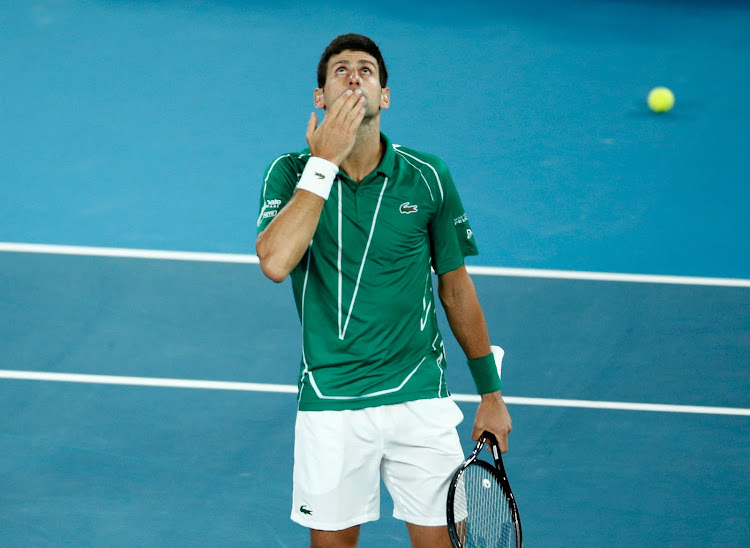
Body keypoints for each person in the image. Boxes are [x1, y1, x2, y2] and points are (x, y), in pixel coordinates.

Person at [255, 33, 512, 548]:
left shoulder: (428, 177)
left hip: (419, 397)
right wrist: (322, 164)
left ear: (385, 96)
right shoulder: (289, 174)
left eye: (366, 70)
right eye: (340, 70)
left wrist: (491, 394)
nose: (354, 76)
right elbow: (276, 262)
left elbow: (456, 289)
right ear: (320, 97)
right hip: (331, 401)